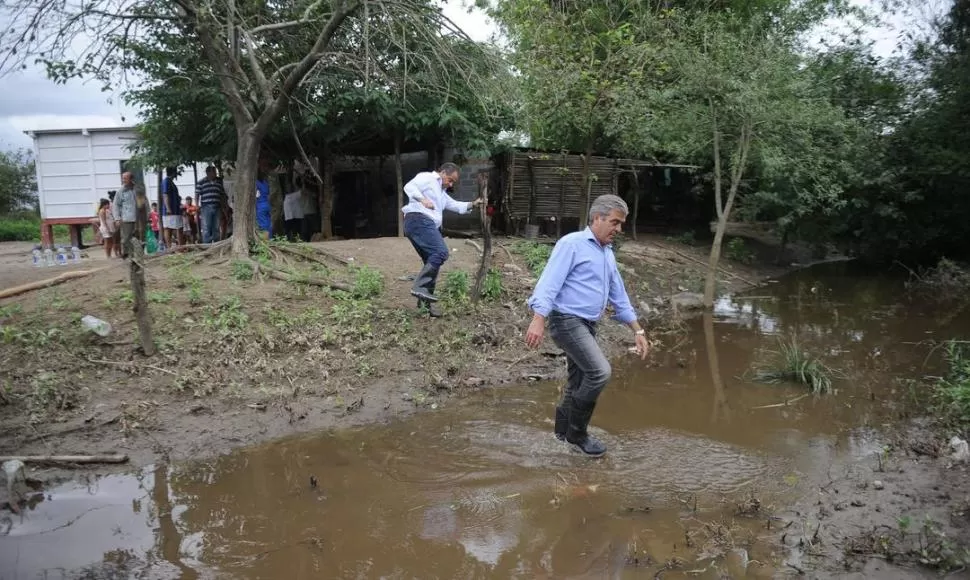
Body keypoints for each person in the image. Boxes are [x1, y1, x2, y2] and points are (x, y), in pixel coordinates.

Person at [524, 194, 650, 457]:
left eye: (621, 224)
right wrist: (538, 318)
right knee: (600, 372)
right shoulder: (572, 244)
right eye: (614, 222)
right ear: (597, 218)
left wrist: (637, 330)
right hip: (567, 321)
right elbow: (549, 282)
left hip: (588, 324)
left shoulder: (607, 253)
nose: (618, 229)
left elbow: (619, 295)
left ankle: (561, 435)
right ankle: (578, 434)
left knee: (578, 379)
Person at [401, 162, 483, 317]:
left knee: (432, 260)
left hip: (422, 224)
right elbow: (409, 187)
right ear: (443, 173)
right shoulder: (427, 177)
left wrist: (474, 204)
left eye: (453, 182)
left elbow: (456, 205)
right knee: (441, 252)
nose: (451, 184)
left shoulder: (441, 192)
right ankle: (419, 286)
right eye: (450, 180)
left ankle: (425, 306)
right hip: (419, 220)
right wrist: (422, 200)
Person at [196, 166, 225, 244]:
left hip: (217, 206)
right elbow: (197, 194)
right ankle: (206, 245)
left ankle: (216, 244)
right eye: (214, 172)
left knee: (216, 227)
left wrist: (223, 208)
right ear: (208, 173)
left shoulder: (219, 183)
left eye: (215, 172)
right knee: (206, 227)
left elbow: (222, 195)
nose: (215, 173)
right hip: (206, 207)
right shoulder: (201, 182)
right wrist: (197, 205)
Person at [114, 172, 138, 258]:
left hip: (138, 218)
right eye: (123, 178)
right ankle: (127, 255)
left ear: (131, 179)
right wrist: (117, 218)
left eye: (125, 178)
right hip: (127, 218)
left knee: (138, 237)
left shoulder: (138, 189)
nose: (123, 180)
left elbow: (144, 202)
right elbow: (116, 205)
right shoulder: (121, 191)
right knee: (126, 238)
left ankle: (137, 254)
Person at [161, 166, 183, 246]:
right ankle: (171, 247)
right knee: (169, 228)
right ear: (174, 173)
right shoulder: (166, 181)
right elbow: (165, 195)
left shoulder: (170, 182)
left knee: (177, 227)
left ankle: (179, 246)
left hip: (175, 209)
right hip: (171, 210)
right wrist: (168, 208)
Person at [255, 172, 272, 240]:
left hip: (260, 206)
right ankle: (270, 240)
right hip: (267, 204)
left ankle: (266, 242)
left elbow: (256, 195)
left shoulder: (256, 183)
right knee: (268, 224)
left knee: (263, 225)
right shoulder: (265, 183)